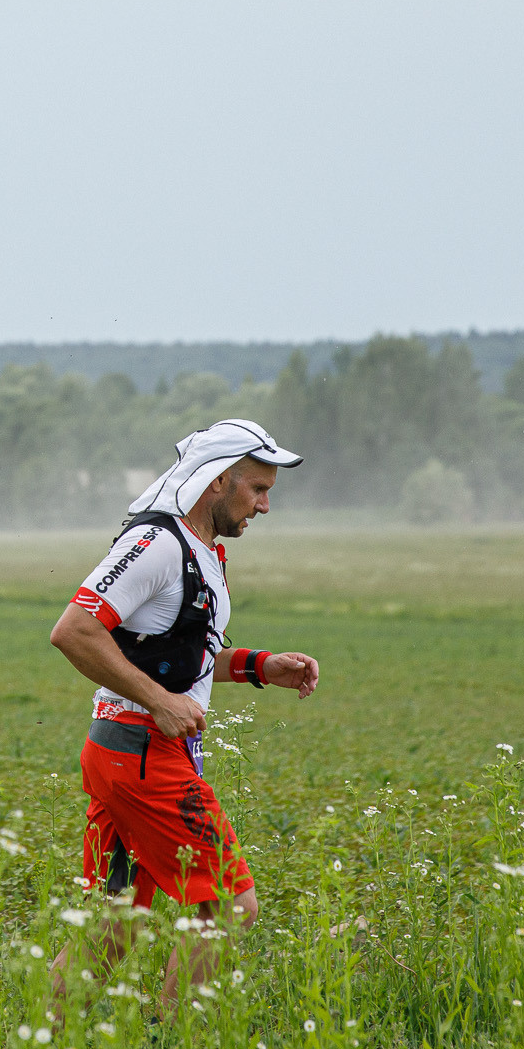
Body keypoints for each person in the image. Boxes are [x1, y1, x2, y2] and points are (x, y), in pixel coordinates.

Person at [47, 419, 320, 1012]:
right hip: (144, 756)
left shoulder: (205, 553)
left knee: (114, 924)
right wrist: (159, 702)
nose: (266, 505)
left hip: (123, 754)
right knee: (227, 905)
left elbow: (175, 659)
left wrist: (258, 666)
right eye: (257, 489)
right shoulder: (159, 545)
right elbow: (74, 631)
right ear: (218, 482)